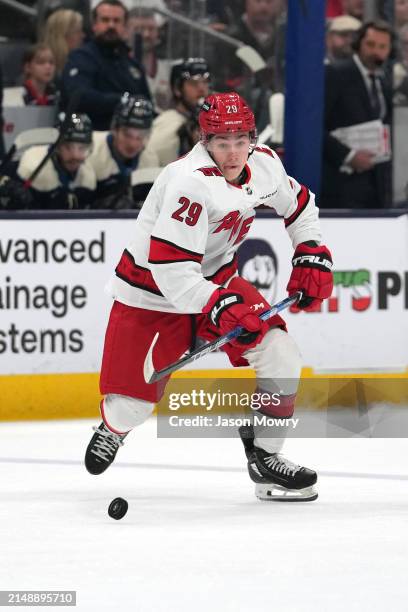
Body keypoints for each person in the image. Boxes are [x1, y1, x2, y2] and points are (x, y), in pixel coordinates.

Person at [84, 92, 334, 502]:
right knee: (131, 406)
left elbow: (300, 204)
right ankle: (112, 427)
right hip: (151, 296)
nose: (233, 151)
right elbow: (170, 270)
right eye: (222, 142)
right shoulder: (190, 183)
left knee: (281, 352)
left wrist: (310, 249)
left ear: (253, 137)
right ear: (205, 140)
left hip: (216, 283)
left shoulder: (264, 164)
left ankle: (266, 458)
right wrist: (218, 302)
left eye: (241, 139)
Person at [321, 20, 393, 208]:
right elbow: (314, 126)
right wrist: (348, 155)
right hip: (340, 185)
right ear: (358, 44)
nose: (376, 52)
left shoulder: (383, 81)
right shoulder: (335, 73)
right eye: (370, 45)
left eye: (382, 47)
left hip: (376, 186)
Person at [61, 0, 152, 130]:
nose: (111, 25)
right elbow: (79, 98)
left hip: (132, 137)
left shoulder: (133, 65)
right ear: (94, 25)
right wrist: (122, 101)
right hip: (89, 134)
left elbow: (146, 102)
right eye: (105, 20)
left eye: (116, 21)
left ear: (125, 26)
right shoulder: (81, 58)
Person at [89, 94, 158, 209]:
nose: (133, 144)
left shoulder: (150, 158)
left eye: (140, 137)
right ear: (114, 129)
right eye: (127, 135)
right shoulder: (91, 151)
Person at [16, 113, 96, 209]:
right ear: (56, 146)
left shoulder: (87, 177)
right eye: (68, 147)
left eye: (82, 148)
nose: (75, 155)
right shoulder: (32, 167)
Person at [144, 57, 210, 166]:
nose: (202, 89)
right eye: (193, 83)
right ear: (177, 89)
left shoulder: (212, 121)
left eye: (205, 82)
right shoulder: (167, 124)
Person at [126, 8, 173, 112]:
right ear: (126, 32)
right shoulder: (119, 67)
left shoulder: (168, 69)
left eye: (151, 29)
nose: (146, 34)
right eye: (140, 29)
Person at [42, 9, 85, 78]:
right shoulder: (43, 70)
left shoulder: (79, 62)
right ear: (62, 36)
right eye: (77, 32)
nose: (83, 35)